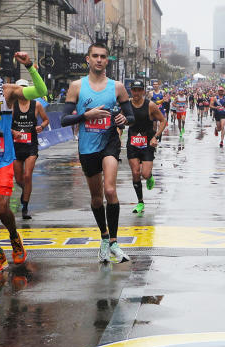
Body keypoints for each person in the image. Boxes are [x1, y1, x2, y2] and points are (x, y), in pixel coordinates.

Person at [0, 49, 47, 277]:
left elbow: (41, 91)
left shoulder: (8, 91)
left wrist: (30, 66)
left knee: (1, 207)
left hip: (3, 158)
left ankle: (14, 237)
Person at [62, 42, 134, 263]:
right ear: (88, 59)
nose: (99, 60)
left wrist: (124, 119)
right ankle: (104, 237)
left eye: (103, 56)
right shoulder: (76, 86)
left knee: (110, 190)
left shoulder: (118, 87)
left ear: (108, 60)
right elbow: (64, 120)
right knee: (96, 197)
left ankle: (114, 242)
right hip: (87, 146)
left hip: (110, 141)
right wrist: (86, 115)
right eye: (95, 56)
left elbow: (130, 117)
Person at [126, 79, 167, 215]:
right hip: (132, 142)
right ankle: (140, 202)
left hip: (147, 143)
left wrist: (156, 136)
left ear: (143, 91)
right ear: (131, 90)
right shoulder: (126, 105)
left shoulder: (150, 105)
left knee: (144, 174)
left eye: (139, 90)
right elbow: (120, 121)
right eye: (134, 90)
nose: (136, 93)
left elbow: (163, 121)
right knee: (136, 173)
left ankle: (150, 177)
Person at [11, 77, 49, 221]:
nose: (21, 92)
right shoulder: (12, 105)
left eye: (24, 89)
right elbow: (4, 123)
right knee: (19, 179)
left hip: (31, 145)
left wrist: (41, 126)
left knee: (28, 176)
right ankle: (25, 192)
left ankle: (25, 207)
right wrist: (13, 131)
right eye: (19, 89)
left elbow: (46, 120)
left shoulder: (37, 105)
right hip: (16, 146)